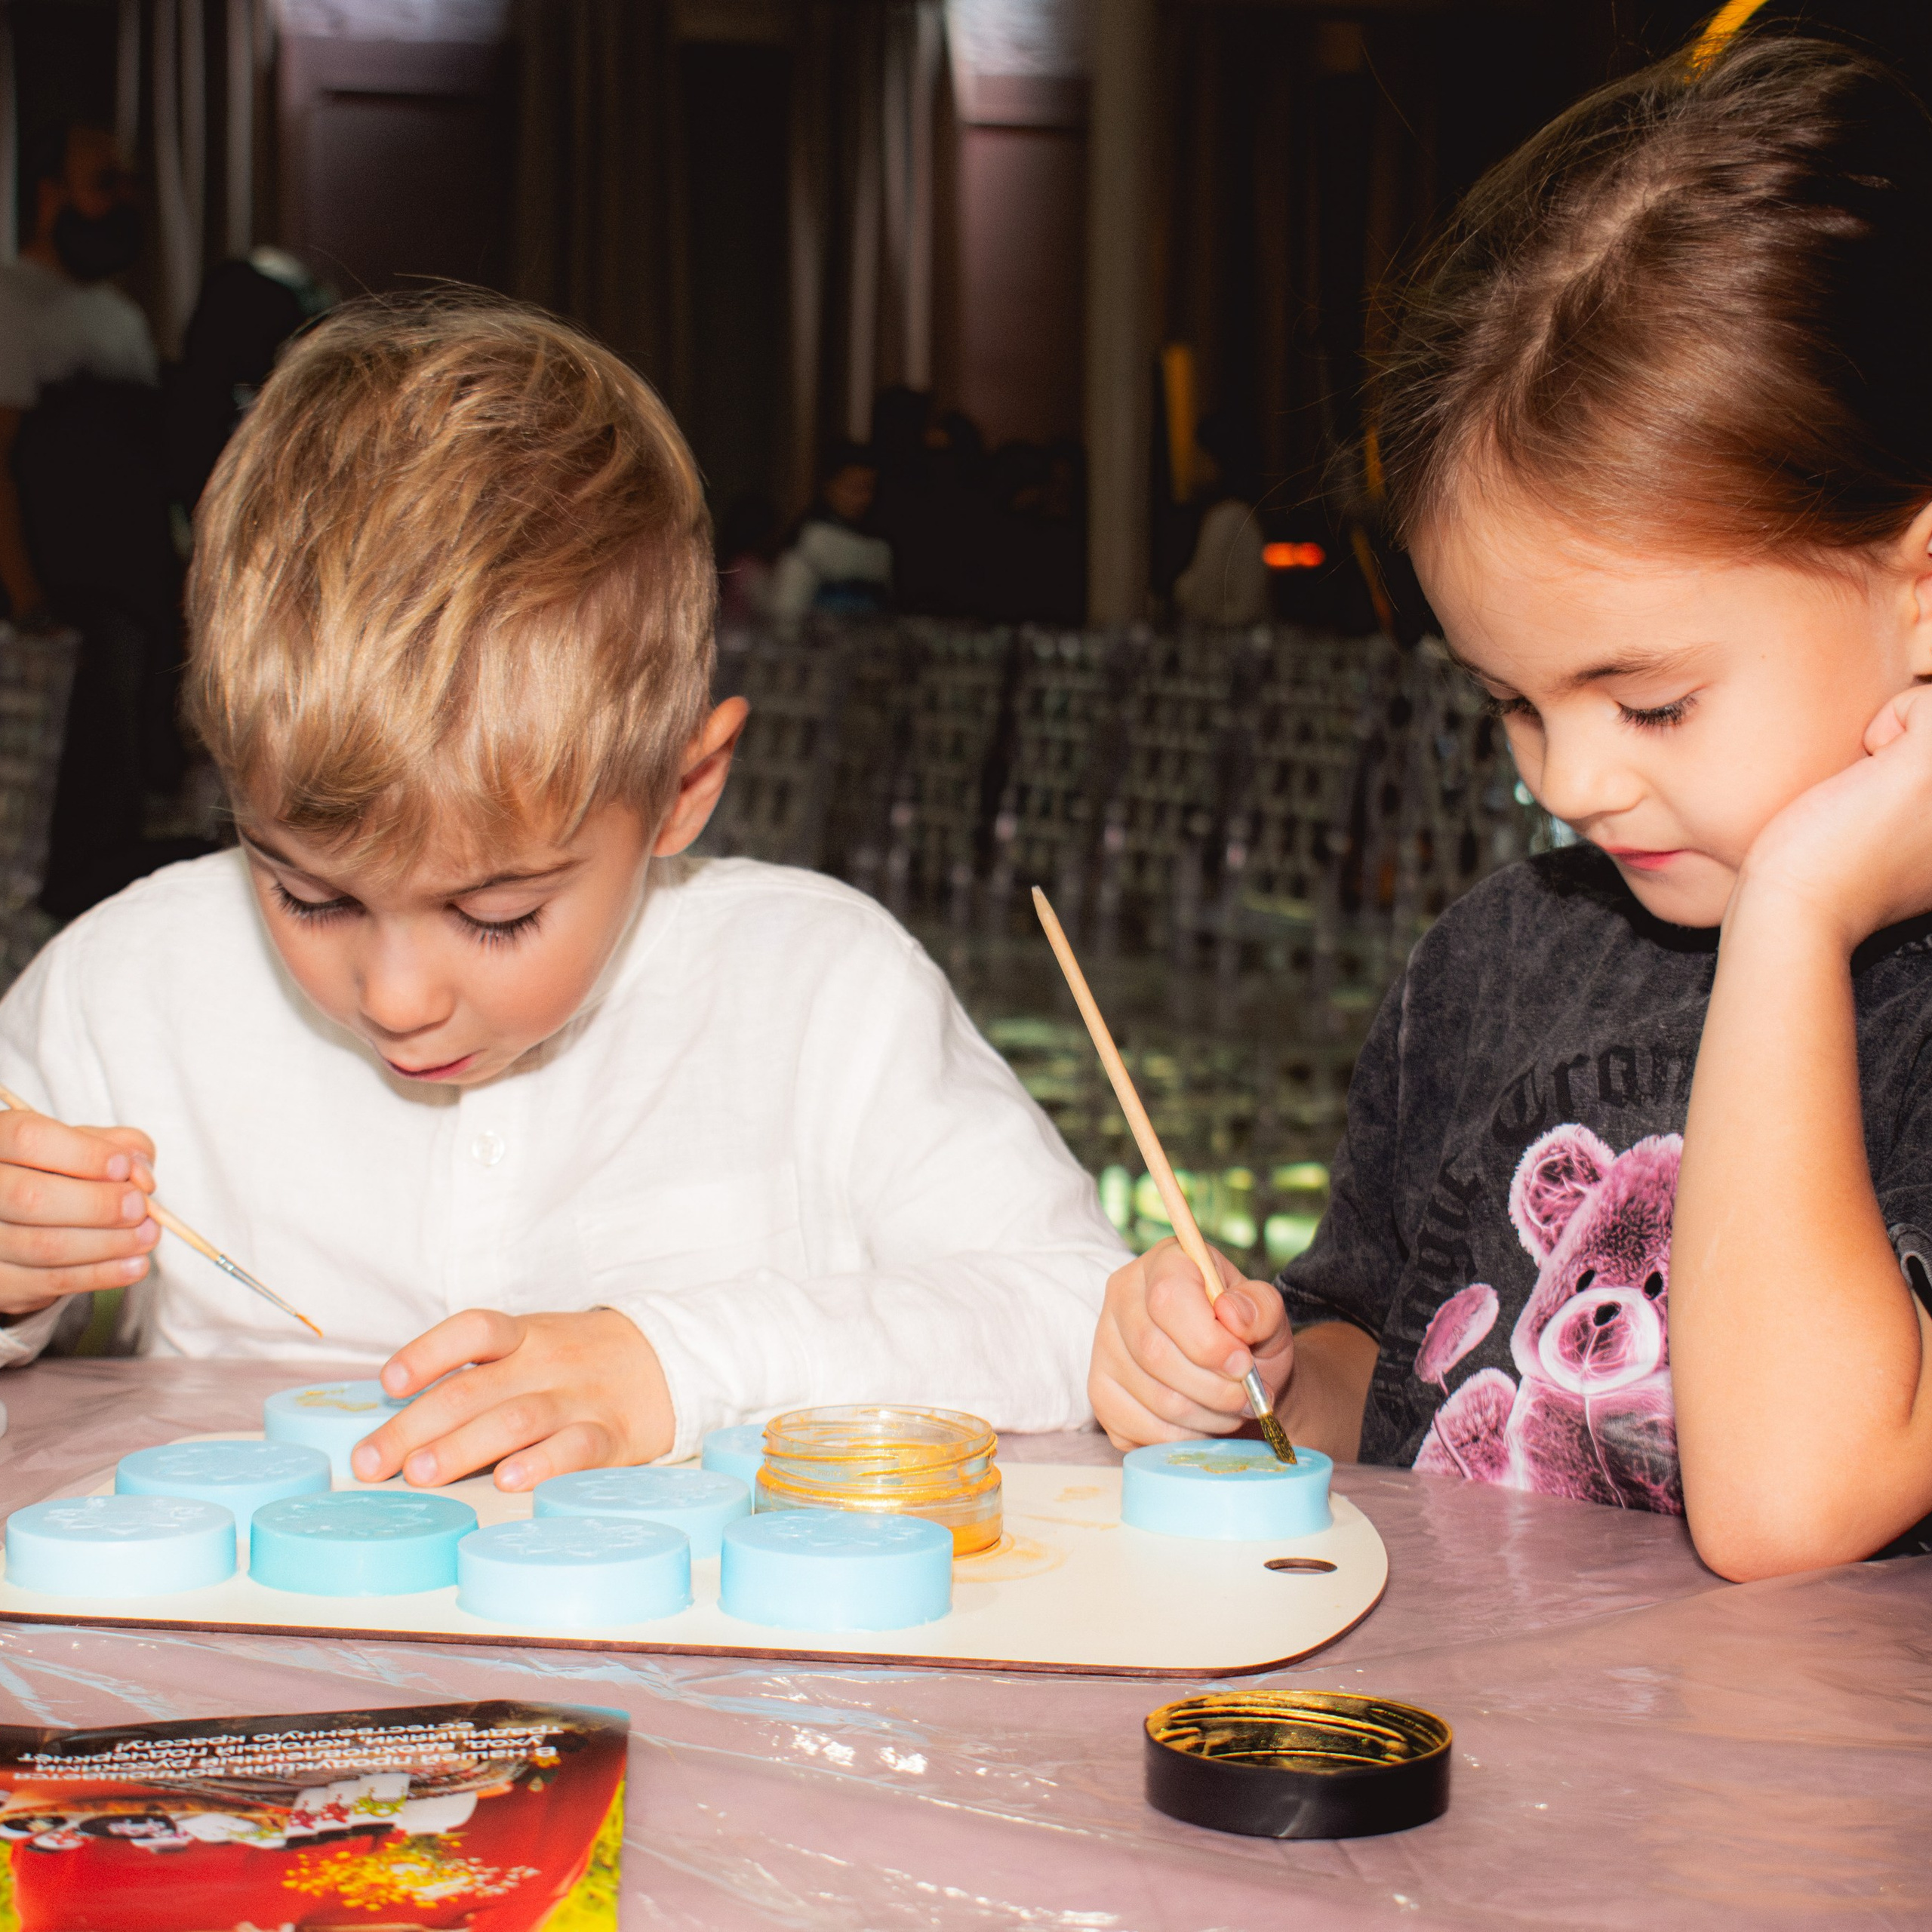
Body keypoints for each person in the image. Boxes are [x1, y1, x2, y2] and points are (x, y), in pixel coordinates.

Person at [0, 294, 1124, 1489]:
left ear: (682, 791)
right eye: (312, 898)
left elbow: (1078, 1312)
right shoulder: (127, 986)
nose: (396, 997)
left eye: (498, 916)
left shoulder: (820, 992)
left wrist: (677, 1364)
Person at [1090, 34, 1932, 1580]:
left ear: (1918, 584)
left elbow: (1789, 1505)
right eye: (1512, 702)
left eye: (1651, 701)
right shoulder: (1498, 958)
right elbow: (1387, 1372)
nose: (1567, 781)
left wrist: (1797, 915)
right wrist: (1256, 1379)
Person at [2, 119, 202, 916]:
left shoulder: (121, 318)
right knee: (54, 824)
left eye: (127, 185)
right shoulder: (12, 303)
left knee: (124, 807)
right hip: (56, 607)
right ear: (50, 195)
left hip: (132, 602)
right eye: (103, 184)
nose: (122, 201)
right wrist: (29, 603)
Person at [768, 442, 893, 620]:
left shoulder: (879, 546)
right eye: (853, 488)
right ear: (829, 487)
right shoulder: (811, 540)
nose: (863, 499)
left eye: (869, 489)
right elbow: (786, 612)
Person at [1171, 411, 1269, 627]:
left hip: (1228, 636)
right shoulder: (1238, 515)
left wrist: (1179, 590)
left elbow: (1204, 596)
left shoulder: (1228, 518)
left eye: (1199, 456)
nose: (1192, 464)